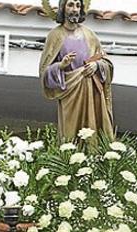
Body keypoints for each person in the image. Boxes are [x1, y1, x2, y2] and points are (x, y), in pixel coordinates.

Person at [39, 0, 114, 140]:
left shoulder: (89, 35)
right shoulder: (55, 35)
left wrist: (96, 66)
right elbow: (45, 73)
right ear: (63, 8)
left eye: (78, 6)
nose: (75, 9)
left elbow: (104, 60)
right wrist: (61, 66)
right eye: (70, 5)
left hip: (91, 90)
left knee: (93, 129)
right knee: (70, 135)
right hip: (70, 92)